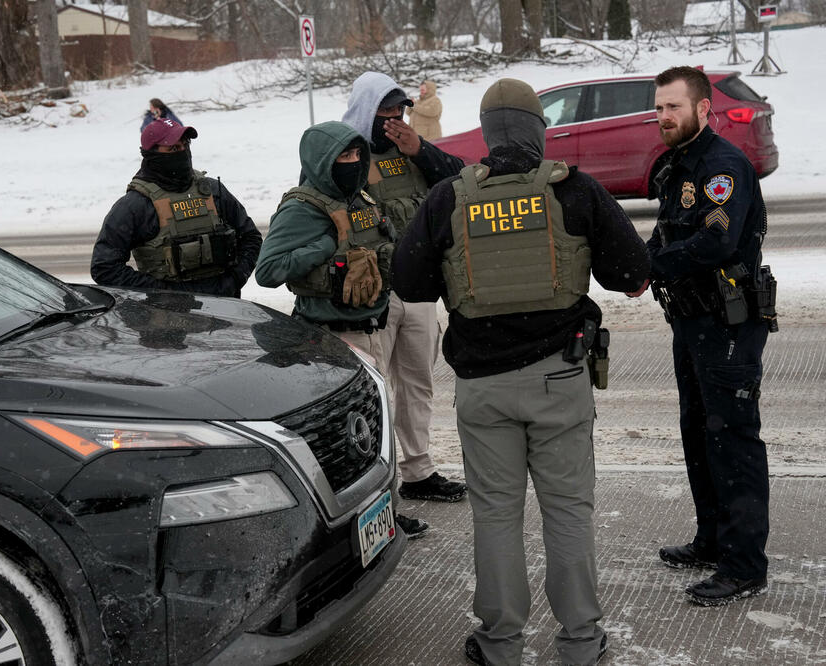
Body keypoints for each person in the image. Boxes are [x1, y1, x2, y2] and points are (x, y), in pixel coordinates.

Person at [392, 78, 650, 666]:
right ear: (539, 129)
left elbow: (408, 283)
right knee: (567, 513)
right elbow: (634, 274)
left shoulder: (449, 197)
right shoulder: (574, 190)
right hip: (559, 381)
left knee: (495, 516)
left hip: (483, 388)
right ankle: (581, 644)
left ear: (488, 135)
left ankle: (500, 643)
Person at [629, 65, 776, 607]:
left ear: (703, 109)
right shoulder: (677, 166)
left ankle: (744, 565)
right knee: (699, 429)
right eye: (659, 107)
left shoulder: (723, 167)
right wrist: (640, 260)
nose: (664, 116)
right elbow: (669, 231)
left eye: (674, 106)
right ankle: (713, 540)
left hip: (728, 323)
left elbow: (716, 242)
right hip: (691, 321)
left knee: (732, 437)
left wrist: (653, 268)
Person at [254, 120, 428, 539]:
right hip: (333, 337)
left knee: (374, 427)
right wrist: (325, 246)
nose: (351, 163)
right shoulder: (302, 208)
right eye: (342, 157)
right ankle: (354, 518)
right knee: (355, 436)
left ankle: (381, 511)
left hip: (374, 328)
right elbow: (267, 270)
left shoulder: (361, 197)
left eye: (355, 155)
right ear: (321, 161)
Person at [341, 71, 467, 504]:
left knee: (417, 383)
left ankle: (417, 471)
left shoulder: (412, 149)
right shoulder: (343, 152)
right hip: (373, 291)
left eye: (399, 110)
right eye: (385, 111)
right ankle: (381, 486)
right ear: (366, 109)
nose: (394, 119)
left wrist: (422, 150)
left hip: (417, 289)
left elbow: (462, 182)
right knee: (375, 392)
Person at [91, 118, 262, 297]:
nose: (182, 152)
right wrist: (163, 292)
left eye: (185, 145)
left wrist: (234, 278)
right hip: (168, 315)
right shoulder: (135, 205)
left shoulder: (212, 191)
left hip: (225, 307)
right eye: (173, 148)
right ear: (152, 155)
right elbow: (104, 268)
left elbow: (251, 237)